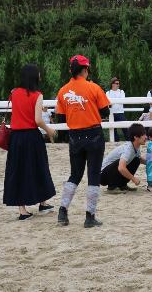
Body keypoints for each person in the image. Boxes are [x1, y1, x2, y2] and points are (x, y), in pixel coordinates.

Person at [56, 55, 110, 228]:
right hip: (94, 134)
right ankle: (90, 216)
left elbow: (60, 116)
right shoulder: (93, 87)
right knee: (93, 175)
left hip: (74, 137)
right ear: (85, 69)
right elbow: (105, 112)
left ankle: (63, 211)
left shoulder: (63, 90)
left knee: (75, 175)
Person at [3, 64, 56, 220]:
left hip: (16, 137)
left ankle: (22, 210)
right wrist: (49, 130)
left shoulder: (13, 93)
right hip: (32, 137)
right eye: (39, 74)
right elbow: (38, 120)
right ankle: (43, 202)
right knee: (39, 167)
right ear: (34, 76)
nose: (40, 76)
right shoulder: (37, 95)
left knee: (18, 170)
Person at [100, 123, 147, 193]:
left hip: (108, 172)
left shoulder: (135, 146)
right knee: (121, 164)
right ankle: (112, 188)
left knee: (136, 160)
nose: (146, 137)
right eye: (143, 135)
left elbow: (140, 159)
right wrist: (134, 179)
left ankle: (122, 185)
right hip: (102, 176)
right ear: (136, 137)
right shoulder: (128, 149)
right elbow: (121, 168)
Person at [107, 77, 128, 142]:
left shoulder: (121, 91)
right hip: (112, 113)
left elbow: (122, 101)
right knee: (113, 129)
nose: (118, 85)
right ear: (112, 84)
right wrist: (114, 102)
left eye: (118, 83)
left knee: (125, 128)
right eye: (117, 83)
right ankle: (116, 142)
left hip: (120, 112)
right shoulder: (108, 92)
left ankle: (129, 140)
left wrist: (113, 102)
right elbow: (108, 103)